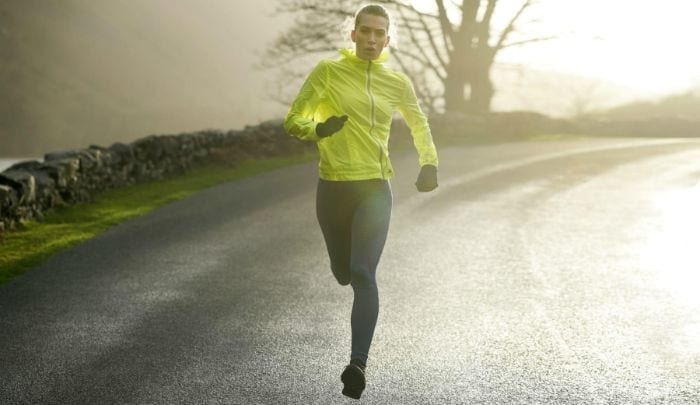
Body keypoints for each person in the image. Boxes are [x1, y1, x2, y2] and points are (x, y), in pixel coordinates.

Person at [284, 4, 438, 400]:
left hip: (374, 188)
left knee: (364, 274)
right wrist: (319, 128)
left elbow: (419, 122)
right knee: (343, 271)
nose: (371, 39)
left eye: (379, 33)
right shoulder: (328, 72)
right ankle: (342, 266)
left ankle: (357, 365)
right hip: (333, 189)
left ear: (388, 40)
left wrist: (429, 163)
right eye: (365, 31)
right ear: (353, 35)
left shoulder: (396, 82)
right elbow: (293, 120)